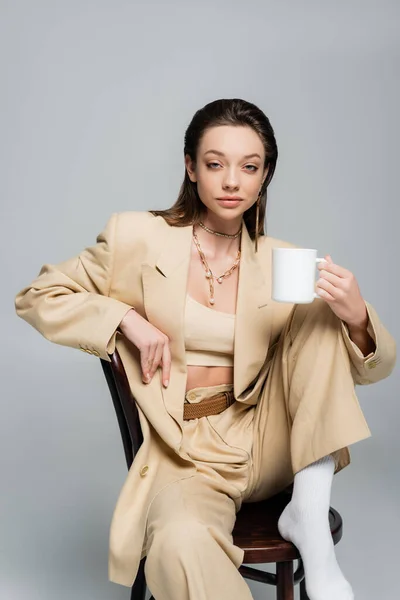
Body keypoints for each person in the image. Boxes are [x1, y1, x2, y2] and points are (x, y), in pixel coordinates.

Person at [15, 98, 396, 600]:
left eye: (250, 167)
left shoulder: (283, 259)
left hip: (270, 439)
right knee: (179, 541)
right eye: (216, 164)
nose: (232, 181)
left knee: (320, 310)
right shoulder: (137, 238)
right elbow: (37, 296)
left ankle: (309, 512)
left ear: (265, 176)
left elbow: (375, 370)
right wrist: (125, 319)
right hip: (186, 451)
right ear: (191, 168)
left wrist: (355, 316)